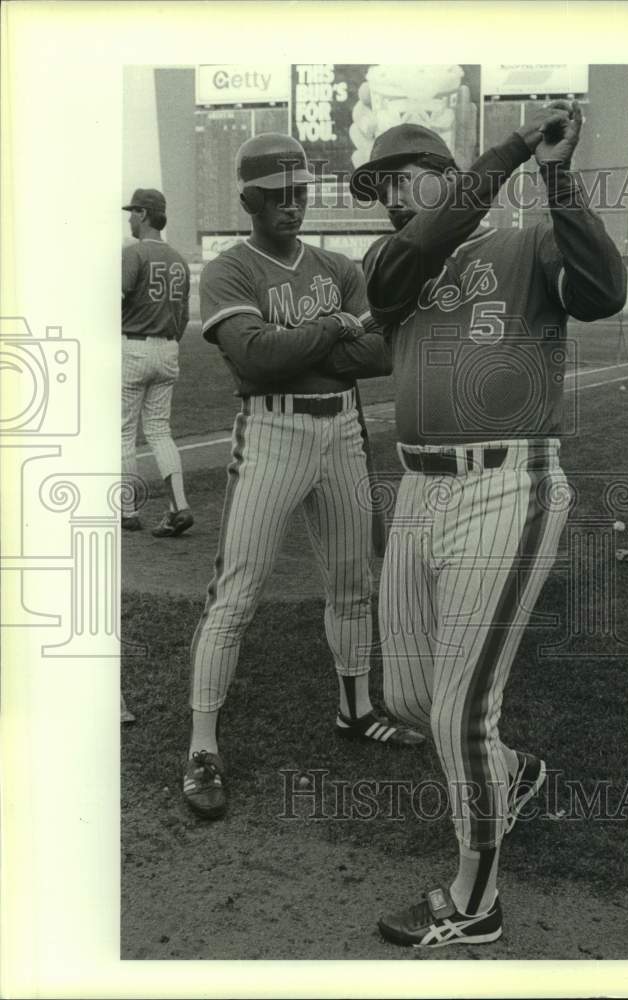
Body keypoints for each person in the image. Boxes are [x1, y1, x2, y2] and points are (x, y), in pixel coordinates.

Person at [350, 101, 627, 948]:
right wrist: (509, 147)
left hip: (509, 482)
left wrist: (553, 174)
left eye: (406, 176)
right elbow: (413, 251)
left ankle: (476, 902)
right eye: (381, 183)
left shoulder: (526, 243)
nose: (393, 194)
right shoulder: (390, 261)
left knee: (458, 711)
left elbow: (606, 294)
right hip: (421, 490)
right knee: (403, 695)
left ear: (445, 174)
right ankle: (515, 773)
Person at [183, 133, 424, 821]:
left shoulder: (338, 264)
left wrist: (306, 344)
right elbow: (256, 362)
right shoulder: (229, 270)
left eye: (299, 193)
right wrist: (333, 330)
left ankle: (355, 707)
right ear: (248, 200)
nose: (292, 205)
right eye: (276, 196)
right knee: (237, 591)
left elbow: (379, 353)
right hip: (271, 430)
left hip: (342, 426)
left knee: (353, 584)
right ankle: (203, 746)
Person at [121, 188, 193, 537]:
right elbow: (180, 318)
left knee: (122, 432)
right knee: (160, 431)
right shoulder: (178, 259)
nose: (130, 218)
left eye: (133, 212)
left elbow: (115, 301)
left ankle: (128, 510)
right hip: (168, 349)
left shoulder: (133, 253)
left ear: (145, 214)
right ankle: (179, 505)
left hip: (133, 347)